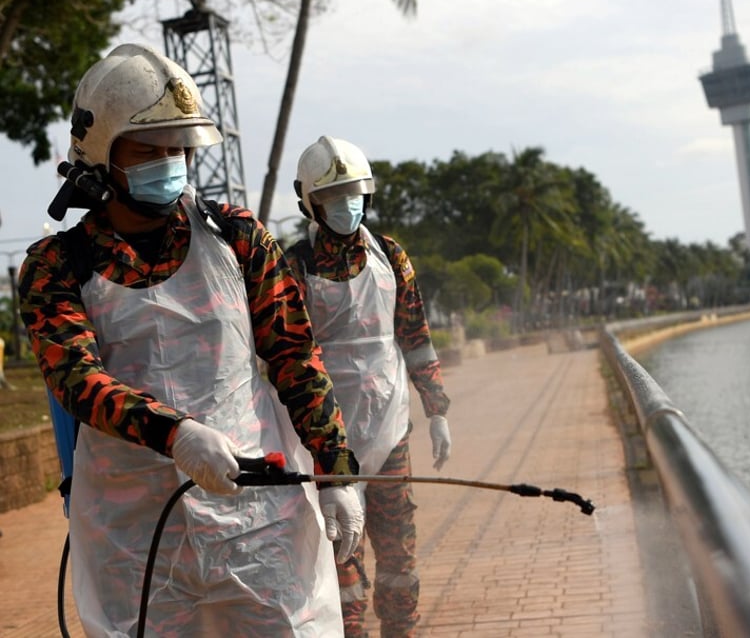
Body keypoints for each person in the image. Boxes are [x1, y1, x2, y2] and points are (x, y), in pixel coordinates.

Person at [18, 44, 364, 637]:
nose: (170, 162)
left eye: (179, 149)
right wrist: (174, 434)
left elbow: (295, 357)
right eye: (149, 151)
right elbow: (75, 378)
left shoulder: (238, 237)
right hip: (136, 535)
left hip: (259, 520)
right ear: (101, 155)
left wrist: (335, 470)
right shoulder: (57, 265)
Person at [286, 136, 453, 638]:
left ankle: (400, 630)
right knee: (340, 556)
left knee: (398, 548)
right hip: (326, 438)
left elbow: (415, 337)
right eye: (333, 196)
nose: (346, 204)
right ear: (311, 204)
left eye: (354, 192)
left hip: (390, 428)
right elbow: (285, 355)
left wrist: (437, 409)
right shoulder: (295, 267)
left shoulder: (391, 257)